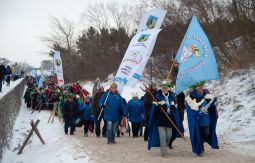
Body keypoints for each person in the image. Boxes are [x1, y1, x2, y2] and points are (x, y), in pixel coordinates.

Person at [148, 81, 181, 157]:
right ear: (162, 89)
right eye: (163, 88)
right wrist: (158, 106)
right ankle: (164, 152)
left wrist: (173, 106)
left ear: (168, 89)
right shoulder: (157, 97)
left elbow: (175, 107)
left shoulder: (172, 97)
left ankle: (164, 147)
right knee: (162, 136)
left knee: (169, 136)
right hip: (161, 120)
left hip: (169, 120)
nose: (165, 89)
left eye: (166, 88)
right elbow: (153, 110)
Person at [185, 81, 219, 156]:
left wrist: (213, 102)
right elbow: (190, 109)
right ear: (196, 89)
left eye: (201, 87)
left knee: (207, 133)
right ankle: (200, 149)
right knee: (198, 134)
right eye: (199, 88)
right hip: (197, 120)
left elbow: (213, 104)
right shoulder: (191, 97)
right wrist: (197, 111)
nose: (201, 89)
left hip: (206, 119)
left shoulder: (206, 96)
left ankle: (202, 142)